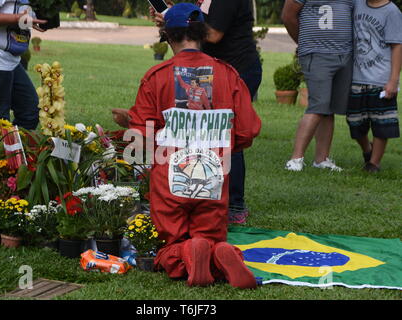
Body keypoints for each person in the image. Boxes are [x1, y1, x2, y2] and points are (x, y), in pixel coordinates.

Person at [121, 3, 261, 288]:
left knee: (169, 244)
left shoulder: (156, 76)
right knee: (210, 237)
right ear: (202, 34)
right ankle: (220, 252)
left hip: (168, 178)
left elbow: (142, 136)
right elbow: (246, 132)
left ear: (168, 37)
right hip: (214, 175)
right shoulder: (229, 74)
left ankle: (185, 252)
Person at [150, 0, 263, 225]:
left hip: (236, 69)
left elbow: (212, 34)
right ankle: (195, 191)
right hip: (206, 68)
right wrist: (172, 19)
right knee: (198, 130)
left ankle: (234, 204)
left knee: (226, 131)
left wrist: (175, 20)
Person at [282, 0, 355, 172]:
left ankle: (321, 159)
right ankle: (295, 159)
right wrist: (304, 42)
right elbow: (288, 16)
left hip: (344, 54)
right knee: (318, 105)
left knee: (328, 109)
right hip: (317, 54)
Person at [346, 0, 402, 172]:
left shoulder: (392, 11)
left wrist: (393, 80)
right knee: (354, 121)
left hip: (380, 79)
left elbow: (397, 46)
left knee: (382, 123)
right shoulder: (357, 4)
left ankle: (374, 163)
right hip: (356, 77)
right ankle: (367, 150)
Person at [0, 0, 46, 130]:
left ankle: (15, 147)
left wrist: (31, 19)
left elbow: (17, 12)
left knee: (30, 111)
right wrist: (16, 18)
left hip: (12, 61)